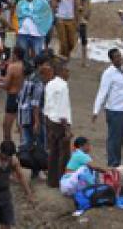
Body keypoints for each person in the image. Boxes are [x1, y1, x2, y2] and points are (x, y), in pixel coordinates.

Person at [92, 48, 123, 167]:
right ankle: (112, 163)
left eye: (120, 56)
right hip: (114, 110)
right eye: (116, 57)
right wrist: (96, 111)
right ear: (111, 60)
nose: (119, 58)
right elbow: (102, 92)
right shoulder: (108, 74)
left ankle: (117, 162)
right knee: (114, 138)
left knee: (120, 138)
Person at [43, 59, 72, 189]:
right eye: (67, 71)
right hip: (60, 123)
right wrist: (67, 129)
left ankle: (52, 181)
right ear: (61, 71)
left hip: (50, 120)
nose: (69, 73)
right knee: (64, 154)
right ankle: (62, 181)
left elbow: (48, 104)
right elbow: (62, 109)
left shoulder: (50, 84)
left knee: (53, 152)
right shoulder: (63, 86)